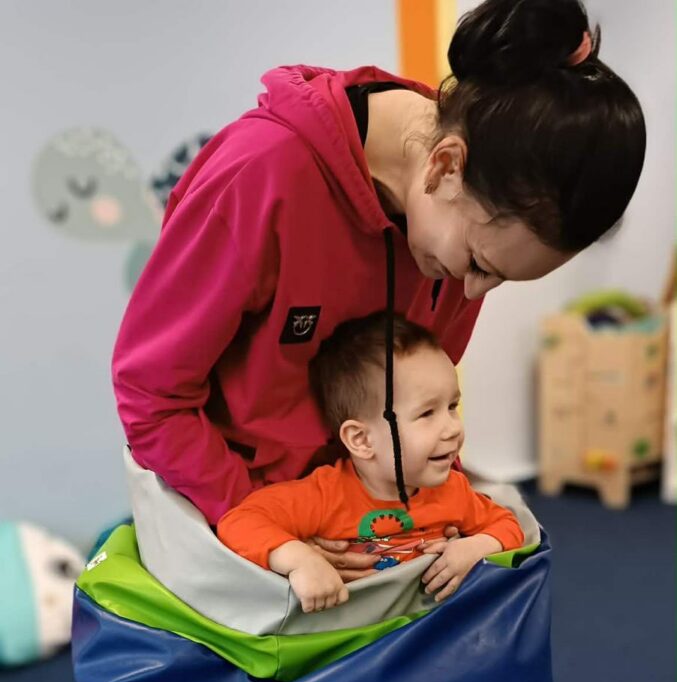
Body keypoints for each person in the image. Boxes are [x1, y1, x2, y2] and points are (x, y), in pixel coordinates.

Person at [112, 0, 645, 578]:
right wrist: (264, 530)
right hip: (246, 538)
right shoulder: (259, 175)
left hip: (372, 536)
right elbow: (152, 394)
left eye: (497, 279)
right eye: (478, 263)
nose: (472, 294)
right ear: (445, 166)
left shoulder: (467, 203)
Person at [217, 313, 524, 612]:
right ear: (362, 440)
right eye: (427, 413)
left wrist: (476, 547)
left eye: (452, 406)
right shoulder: (325, 496)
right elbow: (239, 522)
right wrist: (300, 560)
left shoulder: (453, 491)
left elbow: (507, 524)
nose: (453, 428)